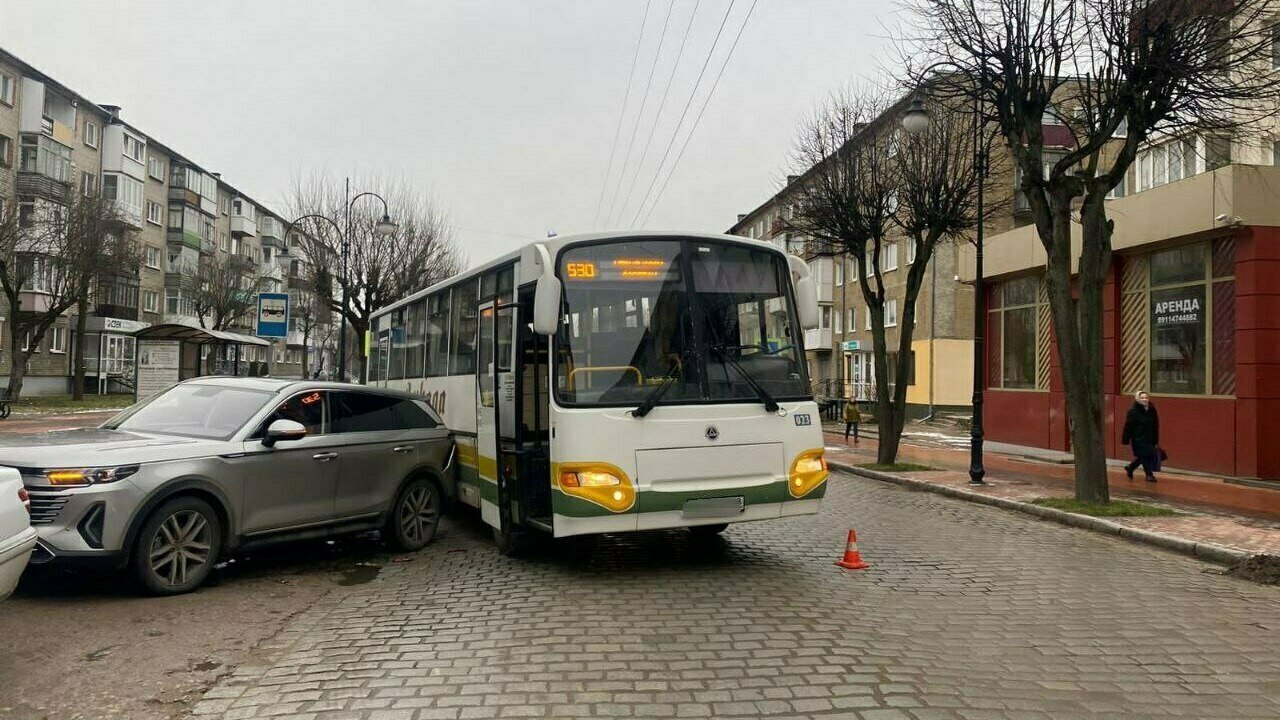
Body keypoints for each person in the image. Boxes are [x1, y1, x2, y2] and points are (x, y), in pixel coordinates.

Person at [1122, 390, 1160, 483]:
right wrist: (1126, 439)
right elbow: (1128, 426)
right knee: (1144, 455)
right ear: (1138, 399)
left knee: (1147, 455)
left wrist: (1156, 438)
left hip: (1149, 437)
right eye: (1142, 398)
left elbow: (1156, 424)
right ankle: (1149, 475)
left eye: (1146, 397)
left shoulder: (1151, 409)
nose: (1144, 399)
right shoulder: (1133, 411)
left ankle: (1130, 467)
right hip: (1138, 438)